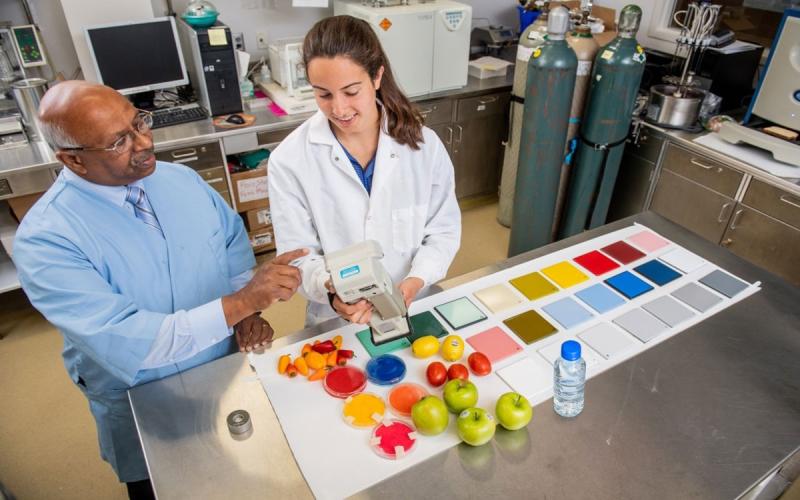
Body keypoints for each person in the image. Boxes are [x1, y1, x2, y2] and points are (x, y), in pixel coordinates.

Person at [13, 81, 307, 499]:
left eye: (139, 123)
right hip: (143, 392)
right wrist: (242, 303)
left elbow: (231, 247)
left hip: (220, 367)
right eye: (119, 141)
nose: (145, 143)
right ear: (73, 160)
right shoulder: (47, 240)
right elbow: (132, 343)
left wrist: (248, 316)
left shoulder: (180, 180)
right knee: (163, 484)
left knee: (236, 464)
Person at [268, 15, 461, 327]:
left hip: (415, 304)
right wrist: (331, 292)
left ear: (376, 77)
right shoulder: (290, 160)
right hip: (338, 322)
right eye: (324, 94)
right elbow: (299, 256)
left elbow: (443, 232)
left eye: (351, 91)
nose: (339, 109)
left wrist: (416, 280)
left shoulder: (423, 146)